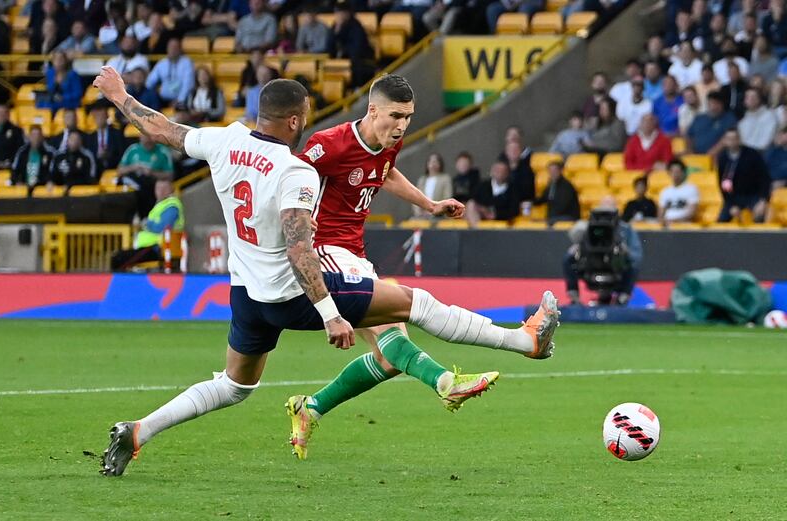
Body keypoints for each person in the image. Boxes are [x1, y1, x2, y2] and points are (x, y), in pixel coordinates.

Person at [93, 67, 560, 475]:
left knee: (235, 385)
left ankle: (139, 430)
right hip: (295, 292)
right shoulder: (296, 168)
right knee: (413, 303)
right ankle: (521, 342)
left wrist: (119, 97)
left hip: (247, 295)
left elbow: (163, 129)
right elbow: (300, 248)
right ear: (296, 120)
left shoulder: (224, 140)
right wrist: (329, 313)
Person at [293, 75, 522, 460]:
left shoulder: (387, 142)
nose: (401, 126)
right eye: (395, 116)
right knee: (393, 327)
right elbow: (291, 177)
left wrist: (428, 205)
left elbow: (386, 172)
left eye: (409, 117)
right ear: (373, 110)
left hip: (354, 255)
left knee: (389, 357)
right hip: (325, 253)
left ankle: (309, 408)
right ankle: (446, 382)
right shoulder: (329, 145)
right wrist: (297, 217)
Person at [563, 196, 642, 306]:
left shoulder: (626, 230)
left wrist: (626, 252)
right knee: (568, 258)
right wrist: (579, 245)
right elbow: (575, 236)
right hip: (591, 264)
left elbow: (636, 256)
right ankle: (574, 298)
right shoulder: (589, 227)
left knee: (633, 264)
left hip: (616, 265)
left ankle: (623, 297)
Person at [110, 179, 184, 271]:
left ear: (171, 189)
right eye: (158, 188)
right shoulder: (160, 205)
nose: (160, 191)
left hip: (157, 248)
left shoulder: (171, 206)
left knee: (119, 259)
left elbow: (163, 228)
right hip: (149, 247)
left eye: (164, 188)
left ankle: (118, 284)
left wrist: (146, 223)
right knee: (119, 257)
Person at [716, 128, 772, 222]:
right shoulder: (723, 158)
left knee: (759, 216)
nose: (732, 141)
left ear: (739, 139)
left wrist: (763, 200)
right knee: (721, 221)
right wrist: (731, 204)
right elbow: (723, 184)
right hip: (734, 197)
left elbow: (764, 178)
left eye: (735, 138)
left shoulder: (752, 155)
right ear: (724, 141)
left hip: (754, 195)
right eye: (729, 139)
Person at [118, 134, 175, 218]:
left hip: (152, 184)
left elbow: (170, 175)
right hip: (135, 183)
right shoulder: (132, 149)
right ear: (140, 137)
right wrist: (134, 167)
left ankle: (146, 216)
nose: (147, 142)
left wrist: (152, 172)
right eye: (145, 139)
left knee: (148, 186)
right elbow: (119, 171)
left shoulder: (163, 151)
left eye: (149, 139)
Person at [467, 160, 520, 225]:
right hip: (480, 215)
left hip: (500, 218)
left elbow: (514, 210)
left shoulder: (513, 189)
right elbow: (474, 200)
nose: (499, 173)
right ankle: (476, 231)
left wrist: (494, 214)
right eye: (497, 170)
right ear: (492, 171)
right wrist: (483, 210)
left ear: (507, 173)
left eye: (502, 171)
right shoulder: (482, 186)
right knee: (470, 205)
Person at [145, 38, 195, 107]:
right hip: (162, 100)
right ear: (167, 49)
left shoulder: (186, 62)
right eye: (171, 47)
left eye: (175, 47)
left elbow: (188, 84)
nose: (173, 50)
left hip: (181, 100)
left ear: (180, 49)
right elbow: (150, 82)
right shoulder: (162, 63)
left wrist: (180, 100)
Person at [11, 125, 56, 192]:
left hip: (42, 188)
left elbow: (53, 171)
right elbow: (15, 170)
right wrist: (17, 181)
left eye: (38, 135)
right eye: (33, 135)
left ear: (42, 137)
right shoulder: (22, 152)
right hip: (24, 187)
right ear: (29, 137)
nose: (36, 138)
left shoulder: (49, 153)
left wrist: (50, 181)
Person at [85, 102, 124, 174]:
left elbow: (121, 154)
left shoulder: (117, 134)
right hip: (96, 172)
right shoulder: (90, 137)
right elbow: (88, 158)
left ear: (106, 116)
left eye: (101, 115)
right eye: (96, 116)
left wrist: (108, 155)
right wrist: (98, 156)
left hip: (114, 169)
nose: (99, 118)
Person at [658, 159, 700, 224]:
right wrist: (663, 221)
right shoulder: (665, 191)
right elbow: (661, 213)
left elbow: (692, 213)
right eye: (672, 171)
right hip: (667, 226)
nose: (675, 174)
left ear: (683, 172)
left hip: (684, 226)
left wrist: (675, 221)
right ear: (669, 173)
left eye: (677, 171)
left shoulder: (691, 189)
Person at [0, 104, 24, 174]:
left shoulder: (16, 131)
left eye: (3, 113)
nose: (1, 116)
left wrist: (8, 162)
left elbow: (20, 150)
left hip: (10, 168)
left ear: (8, 115)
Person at [413, 153, 453, 217]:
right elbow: (415, 197)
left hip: (439, 215)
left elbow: (447, 197)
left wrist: (435, 210)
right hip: (422, 215)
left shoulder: (445, 178)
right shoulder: (422, 180)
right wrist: (419, 213)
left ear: (440, 164)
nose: (433, 164)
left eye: (436, 161)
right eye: (431, 161)